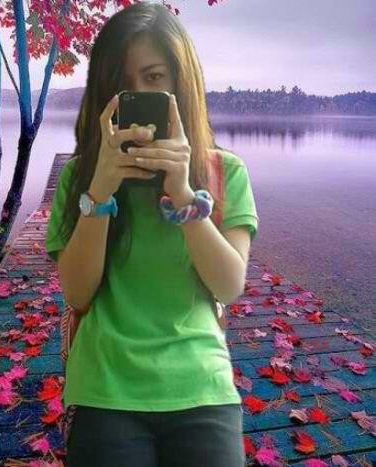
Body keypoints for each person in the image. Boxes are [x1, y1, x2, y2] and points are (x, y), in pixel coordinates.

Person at [45, 2, 259, 466]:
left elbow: (228, 286)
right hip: (104, 385)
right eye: (122, 83)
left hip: (201, 382)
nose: (139, 96)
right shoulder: (78, 179)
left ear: (182, 82)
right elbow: (77, 293)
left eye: (155, 77)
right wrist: (101, 189)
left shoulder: (225, 173)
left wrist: (183, 193)